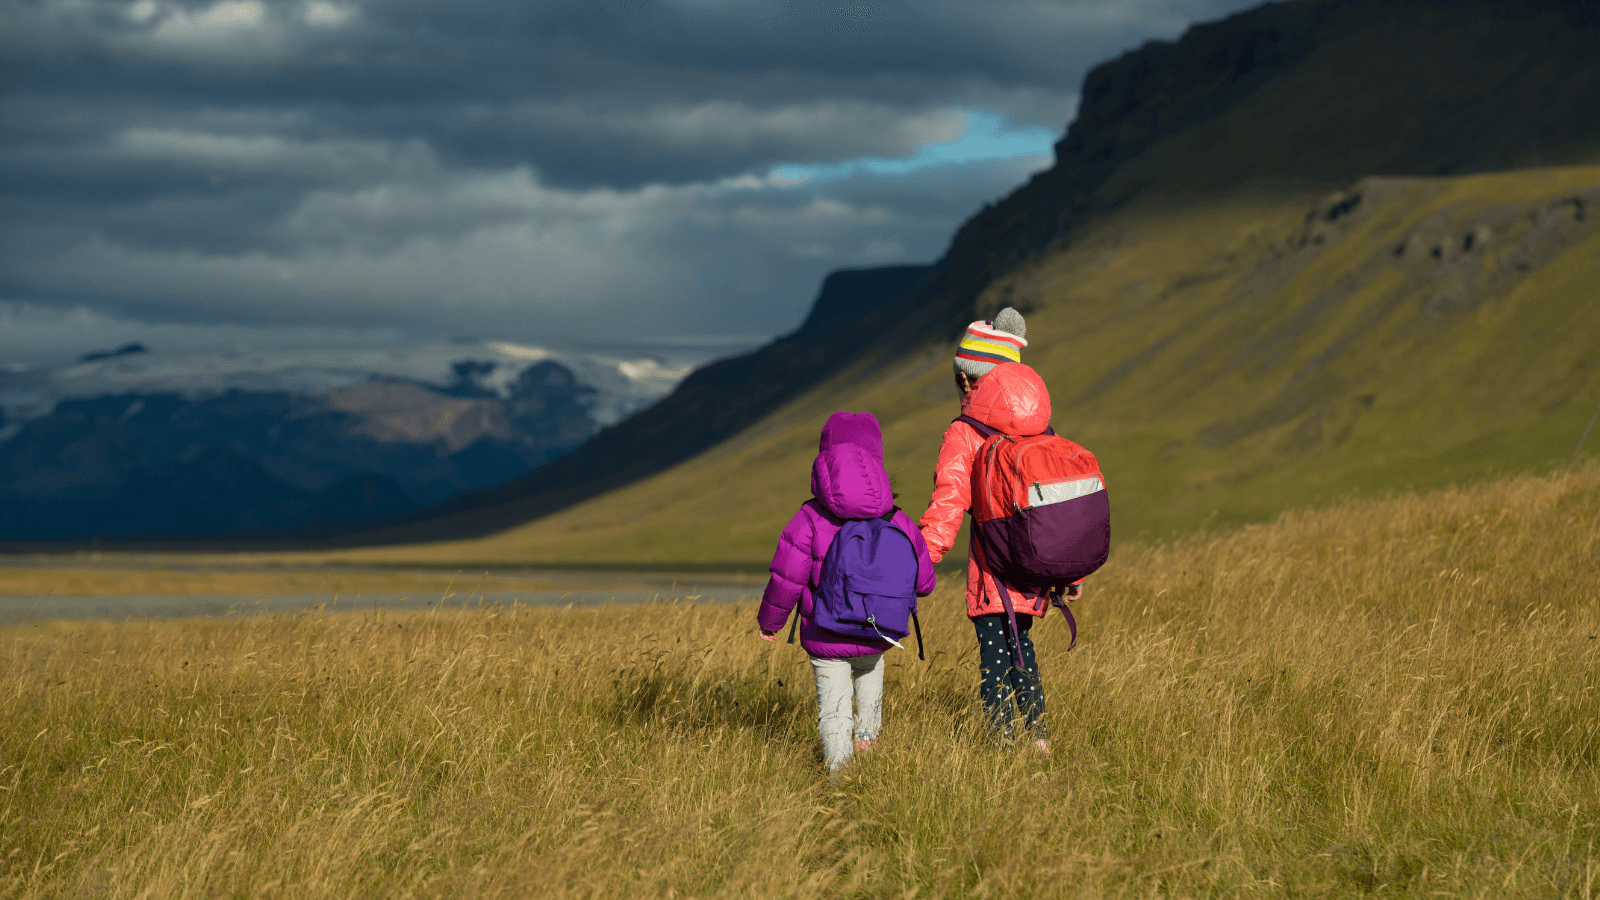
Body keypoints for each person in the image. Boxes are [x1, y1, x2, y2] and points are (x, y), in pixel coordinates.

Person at [919, 308, 1083, 754]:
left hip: (993, 571)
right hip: (1035, 570)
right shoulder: (1038, 430)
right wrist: (1069, 575)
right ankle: (1039, 739)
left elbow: (949, 501)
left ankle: (1001, 745)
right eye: (961, 377)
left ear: (987, 379)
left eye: (971, 377)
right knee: (1023, 650)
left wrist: (922, 560)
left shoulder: (965, 432)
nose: (965, 386)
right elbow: (1058, 507)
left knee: (993, 662)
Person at [757, 411, 937, 774]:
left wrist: (770, 623)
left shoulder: (809, 517)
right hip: (877, 633)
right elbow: (924, 582)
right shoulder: (896, 517)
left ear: (825, 460)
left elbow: (787, 578)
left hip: (826, 634)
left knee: (833, 711)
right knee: (869, 699)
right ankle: (868, 761)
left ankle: (841, 780)